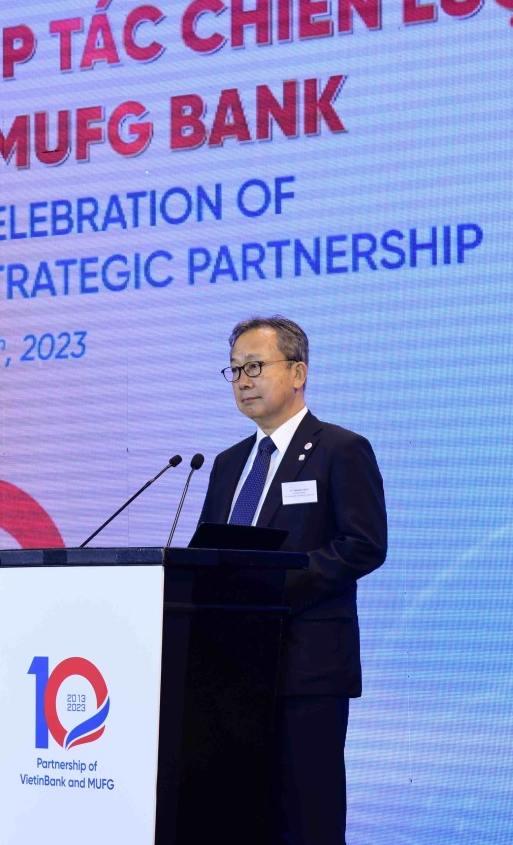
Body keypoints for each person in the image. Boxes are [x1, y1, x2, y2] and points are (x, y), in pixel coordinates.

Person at [196, 315, 387, 845]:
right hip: (230, 674)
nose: (243, 381)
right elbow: (206, 553)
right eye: (234, 370)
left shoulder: (341, 450)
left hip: (306, 670)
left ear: (298, 372)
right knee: (238, 820)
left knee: (307, 823)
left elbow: (363, 544)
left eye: (255, 366)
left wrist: (272, 590)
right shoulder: (228, 463)